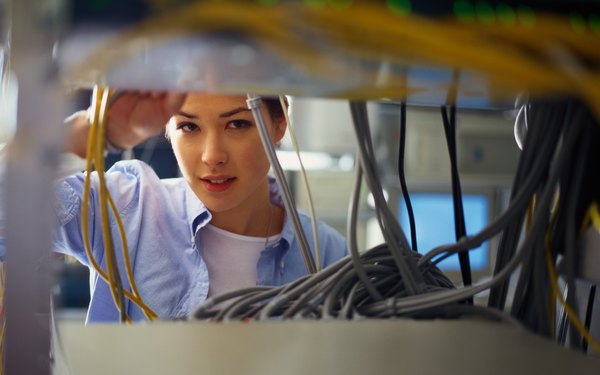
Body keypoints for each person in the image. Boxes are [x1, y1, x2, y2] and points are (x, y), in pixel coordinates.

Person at [52, 91, 348, 323]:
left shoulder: (331, 257)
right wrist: (92, 132)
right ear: (167, 128)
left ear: (279, 122)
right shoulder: (126, 207)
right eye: (189, 126)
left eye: (237, 124)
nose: (212, 156)